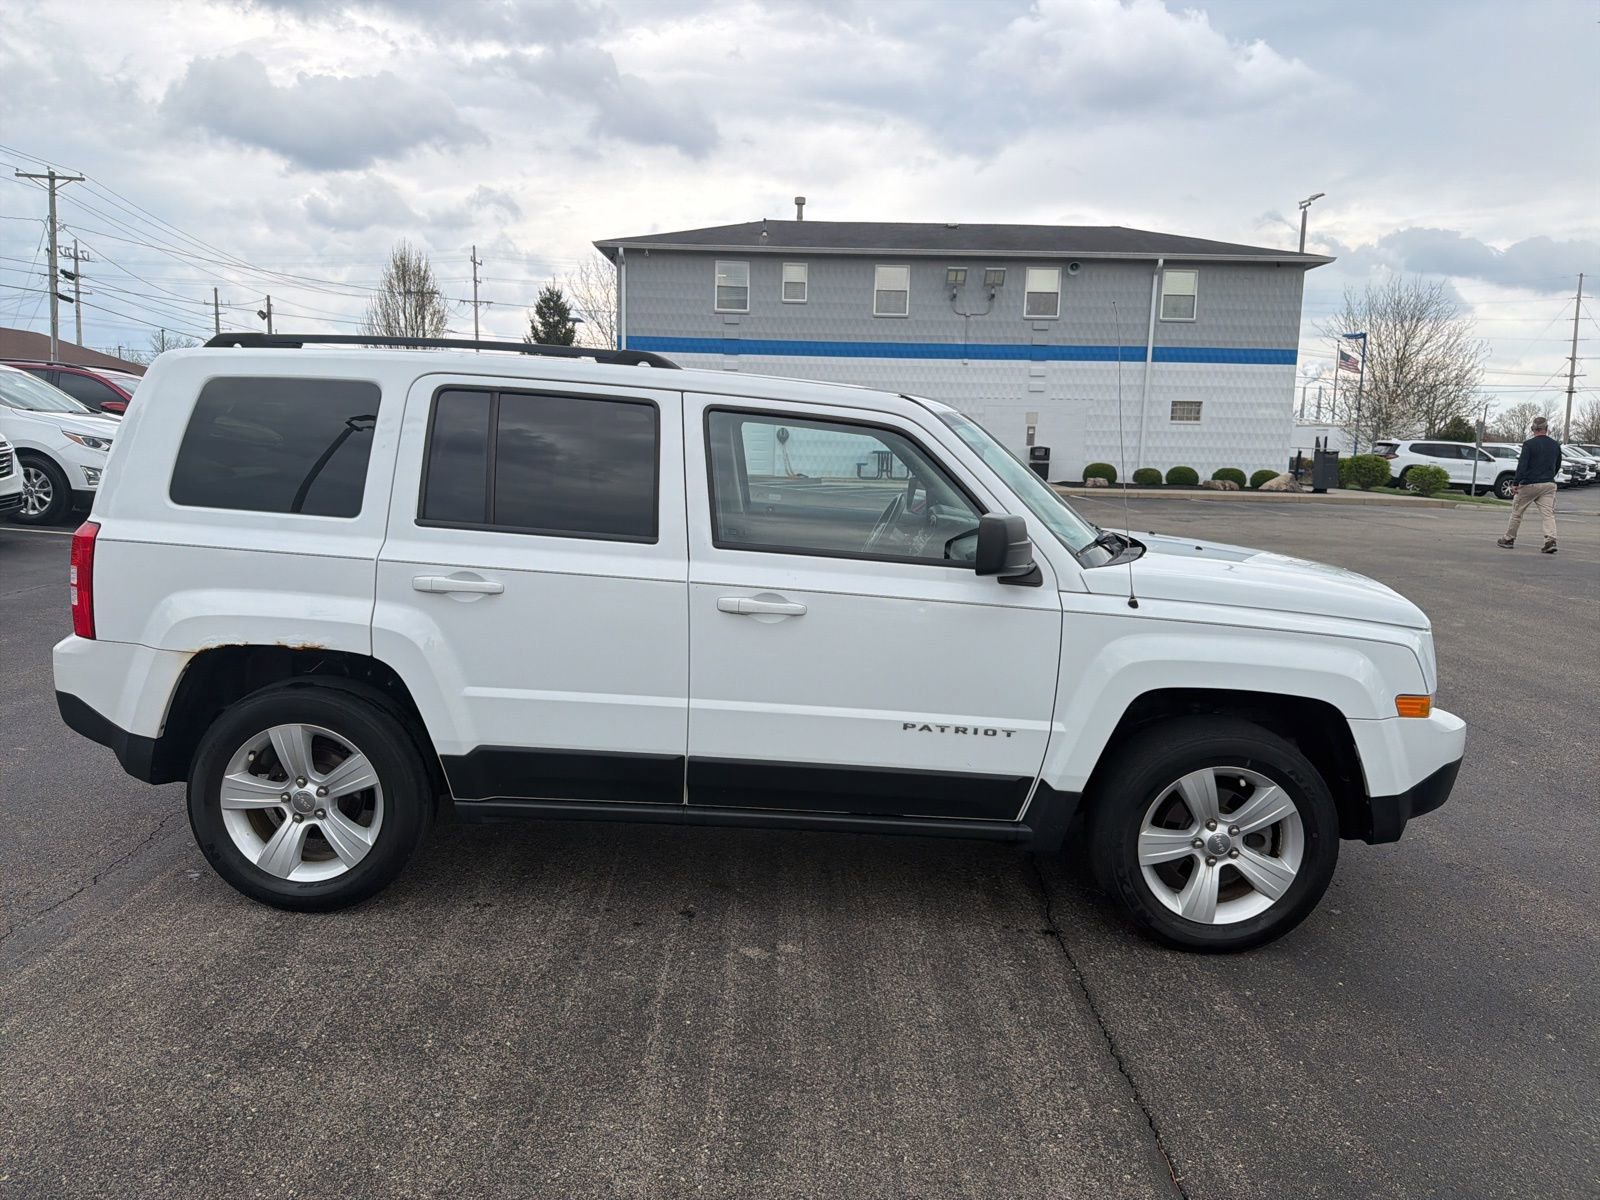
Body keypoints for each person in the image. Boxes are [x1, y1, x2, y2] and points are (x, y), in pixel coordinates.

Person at [1496, 416, 1559, 553]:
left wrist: (1516, 483)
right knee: (1548, 514)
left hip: (1529, 484)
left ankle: (1508, 539)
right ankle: (1550, 540)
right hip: (1548, 484)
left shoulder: (1528, 445)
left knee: (1517, 512)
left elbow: (1522, 465)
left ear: (1532, 429)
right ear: (1547, 429)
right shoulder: (1555, 445)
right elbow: (1558, 464)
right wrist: (1549, 476)